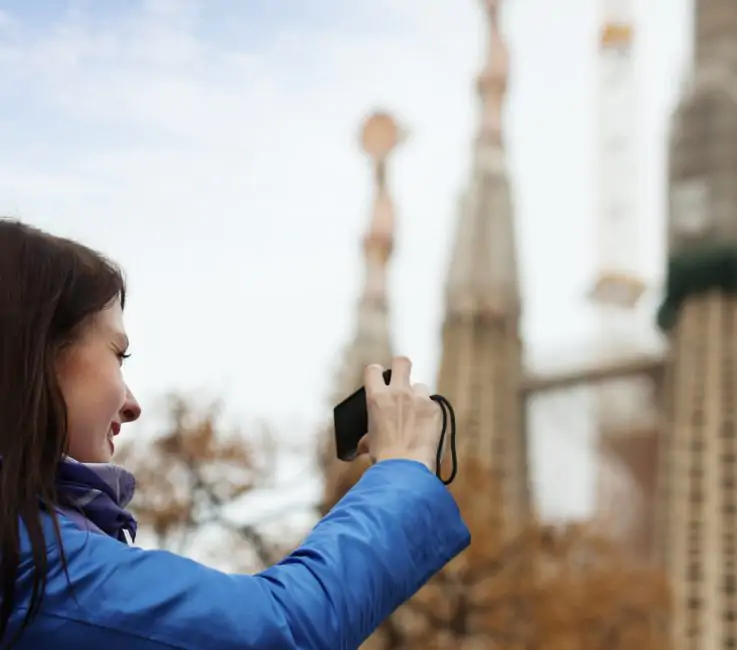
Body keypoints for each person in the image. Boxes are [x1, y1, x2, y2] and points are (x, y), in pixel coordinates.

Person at [0, 218, 471, 649]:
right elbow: (279, 630)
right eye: (118, 355)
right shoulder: (33, 561)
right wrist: (403, 470)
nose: (132, 403)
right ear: (36, 352)